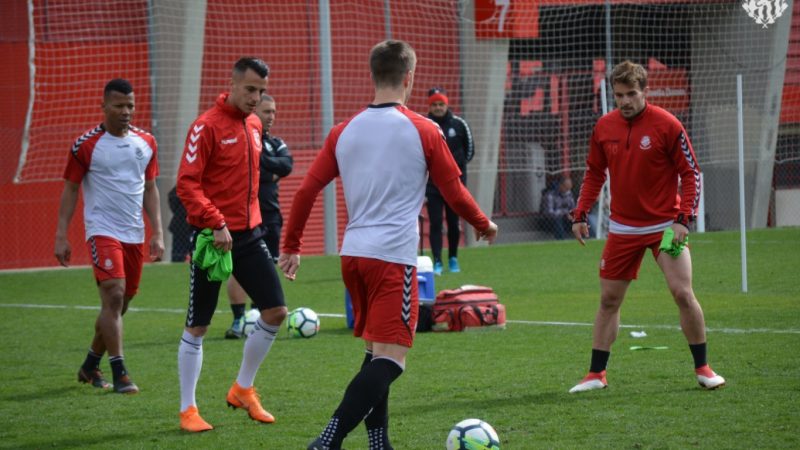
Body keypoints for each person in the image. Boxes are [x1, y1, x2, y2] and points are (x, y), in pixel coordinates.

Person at [278, 40, 498, 450]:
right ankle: (327, 440)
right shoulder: (424, 129)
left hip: (353, 257)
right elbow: (453, 192)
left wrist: (291, 245)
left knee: (375, 353)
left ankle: (380, 443)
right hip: (393, 258)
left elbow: (306, 190)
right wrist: (483, 224)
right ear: (409, 77)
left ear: (373, 75)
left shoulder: (343, 131)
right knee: (392, 361)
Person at [568, 61, 725, 393]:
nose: (625, 101)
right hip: (623, 231)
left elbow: (691, 173)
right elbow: (594, 173)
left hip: (666, 227)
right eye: (619, 95)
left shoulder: (667, 125)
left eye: (631, 94)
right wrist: (581, 213)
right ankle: (596, 375)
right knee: (609, 300)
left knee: (682, 293)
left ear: (645, 92)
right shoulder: (604, 127)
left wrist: (683, 219)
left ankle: (703, 369)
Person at [176, 57, 287, 432]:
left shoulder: (254, 124)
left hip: (250, 236)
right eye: (251, 89)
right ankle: (188, 410)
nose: (256, 97)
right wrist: (215, 221)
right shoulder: (205, 126)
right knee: (198, 326)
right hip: (213, 238)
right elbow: (187, 185)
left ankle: (242, 389)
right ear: (233, 84)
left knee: (275, 312)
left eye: (261, 90)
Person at [54, 78, 164, 395]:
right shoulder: (86, 145)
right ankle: (120, 372)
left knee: (121, 304)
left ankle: (90, 364)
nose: (125, 111)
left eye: (130, 105)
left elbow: (150, 188)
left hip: (134, 233)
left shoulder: (146, 142)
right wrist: (61, 234)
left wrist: (157, 231)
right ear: (103, 106)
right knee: (114, 295)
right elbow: (71, 189)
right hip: (102, 230)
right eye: (118, 105)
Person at [225, 94, 293, 339]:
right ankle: (238, 320)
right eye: (266, 112)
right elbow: (247, 171)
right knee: (239, 269)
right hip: (244, 217)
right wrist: (269, 172)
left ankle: (258, 317)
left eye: (273, 112)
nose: (271, 116)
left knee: (266, 267)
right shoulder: (241, 139)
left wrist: (261, 164)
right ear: (254, 113)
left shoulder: (276, 143)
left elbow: (287, 165)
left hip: (271, 216)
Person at [424, 87, 474, 275]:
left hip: (454, 185)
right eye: (434, 104)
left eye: (441, 104)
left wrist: (456, 171)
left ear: (447, 104)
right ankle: (437, 261)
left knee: (454, 223)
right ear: (430, 106)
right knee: (435, 223)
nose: (438, 108)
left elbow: (470, 151)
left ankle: (453, 258)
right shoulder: (424, 125)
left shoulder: (459, 125)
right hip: (433, 186)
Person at [168, 185, 192, 262]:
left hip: (189, 225)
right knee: (178, 253)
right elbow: (172, 200)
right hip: (180, 225)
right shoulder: (179, 188)